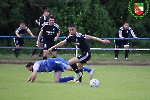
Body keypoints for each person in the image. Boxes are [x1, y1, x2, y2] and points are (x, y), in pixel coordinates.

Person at [25, 57, 94, 83]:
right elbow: (32, 74)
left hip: (57, 62)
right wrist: (27, 81)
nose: (29, 70)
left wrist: (31, 82)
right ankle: (74, 78)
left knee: (71, 68)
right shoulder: (35, 68)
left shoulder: (36, 65)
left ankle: (89, 70)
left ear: (31, 66)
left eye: (29, 68)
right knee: (57, 81)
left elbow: (34, 75)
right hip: (55, 67)